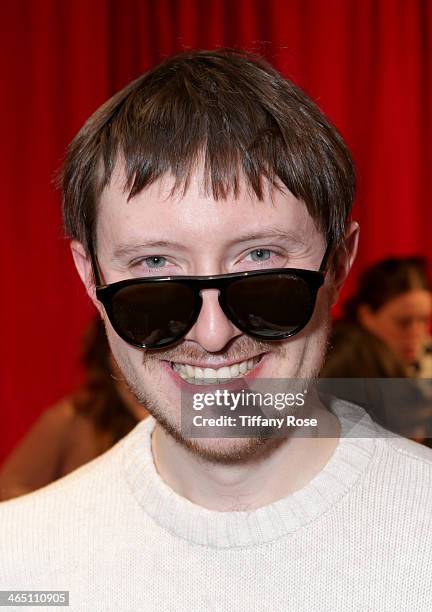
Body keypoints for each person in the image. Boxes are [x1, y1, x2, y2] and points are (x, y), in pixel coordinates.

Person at [0, 50, 431, 611]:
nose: (211, 334)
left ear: (339, 265)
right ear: (90, 276)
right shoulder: (20, 561)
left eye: (260, 258)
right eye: (155, 265)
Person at [0, 318, 147, 501]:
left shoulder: (188, 409)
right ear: (106, 350)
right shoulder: (73, 417)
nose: (145, 353)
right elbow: (9, 490)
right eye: (131, 340)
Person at [322, 257, 432, 378]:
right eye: (403, 323)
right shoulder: (343, 359)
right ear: (366, 316)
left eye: (424, 320)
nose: (416, 333)